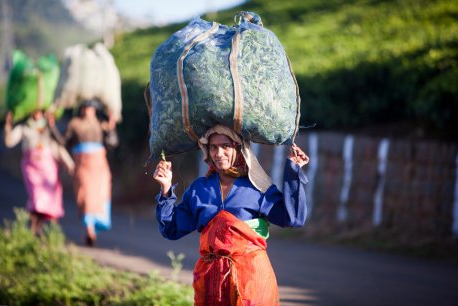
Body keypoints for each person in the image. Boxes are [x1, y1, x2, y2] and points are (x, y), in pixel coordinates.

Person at [153, 124, 309, 305]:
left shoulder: (257, 187)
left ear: (239, 148)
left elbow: (293, 218)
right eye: (213, 147)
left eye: (225, 146)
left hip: (252, 281)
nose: (219, 153)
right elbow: (171, 229)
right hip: (212, 284)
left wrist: (293, 171)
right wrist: (165, 189)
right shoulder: (200, 189)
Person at [4, 109, 74, 235]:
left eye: (40, 112)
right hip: (31, 166)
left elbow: (58, 146)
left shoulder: (49, 128)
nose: (37, 114)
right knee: (36, 196)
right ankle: (33, 225)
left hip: (48, 167)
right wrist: (8, 126)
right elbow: (9, 142)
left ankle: (38, 227)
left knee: (47, 198)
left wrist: (69, 164)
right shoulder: (24, 128)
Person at [62, 99, 118, 247]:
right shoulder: (74, 123)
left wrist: (112, 128)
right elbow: (63, 142)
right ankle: (89, 230)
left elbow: (112, 143)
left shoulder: (101, 124)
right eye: (86, 107)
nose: (88, 110)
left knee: (100, 194)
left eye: (90, 107)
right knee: (85, 194)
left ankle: (93, 229)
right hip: (82, 163)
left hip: (99, 163)